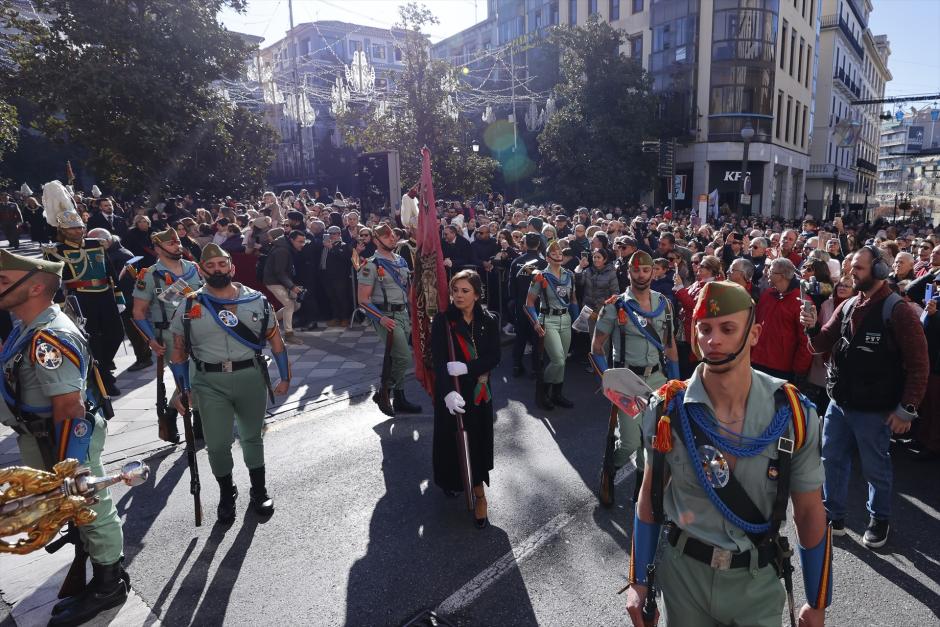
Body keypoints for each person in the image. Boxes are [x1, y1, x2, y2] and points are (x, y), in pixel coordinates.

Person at [626, 280, 830, 627]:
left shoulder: (793, 413)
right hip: (684, 579)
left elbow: (810, 511)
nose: (713, 340)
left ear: (754, 333)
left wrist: (817, 601)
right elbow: (650, 495)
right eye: (704, 329)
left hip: (756, 583)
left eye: (727, 328)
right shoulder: (667, 409)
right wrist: (638, 582)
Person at [0, 249, 129, 626]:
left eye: (4, 281)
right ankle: (100, 573)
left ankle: (109, 585)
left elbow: (68, 407)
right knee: (78, 506)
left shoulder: (48, 336)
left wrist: (63, 469)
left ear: (36, 285)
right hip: (41, 434)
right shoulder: (27, 327)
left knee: (88, 504)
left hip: (60, 436)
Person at [801, 245, 929, 546]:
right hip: (840, 402)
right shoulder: (847, 306)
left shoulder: (898, 311)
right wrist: (810, 328)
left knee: (875, 468)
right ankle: (834, 514)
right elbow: (821, 343)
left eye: (858, 268)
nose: (851, 273)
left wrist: (906, 409)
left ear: (880, 271)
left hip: (875, 409)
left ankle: (879, 519)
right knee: (831, 459)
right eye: (851, 267)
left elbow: (919, 365)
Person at [168, 243, 291, 524]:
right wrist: (181, 389)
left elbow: (276, 342)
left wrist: (285, 377)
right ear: (201, 271)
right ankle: (227, 493)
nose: (217, 269)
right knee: (217, 444)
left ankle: (258, 491)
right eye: (210, 266)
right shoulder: (189, 304)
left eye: (222, 264)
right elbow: (178, 351)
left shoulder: (257, 300)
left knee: (252, 437)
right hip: (209, 382)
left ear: (231, 267)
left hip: (250, 377)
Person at [590, 251, 679, 500]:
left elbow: (670, 346)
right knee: (629, 442)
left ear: (653, 271)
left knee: (652, 441)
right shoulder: (615, 306)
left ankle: (642, 492)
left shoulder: (664, 304)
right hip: (627, 380)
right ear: (628, 272)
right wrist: (609, 378)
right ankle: (610, 469)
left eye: (646, 270)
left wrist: (677, 383)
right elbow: (597, 347)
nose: (641, 275)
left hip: (658, 379)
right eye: (636, 270)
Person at [431, 270, 501, 528]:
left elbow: (494, 356)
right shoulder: (443, 321)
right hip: (453, 392)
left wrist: (468, 368)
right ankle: (451, 481)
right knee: (451, 441)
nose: (458, 295)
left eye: (464, 291)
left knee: (478, 440)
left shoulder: (489, 319)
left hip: (478, 391)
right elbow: (438, 361)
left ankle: (479, 494)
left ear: (477, 294)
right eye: (455, 290)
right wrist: (447, 391)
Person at [42, 210, 126, 396]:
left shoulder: (96, 244)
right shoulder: (55, 252)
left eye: (79, 226)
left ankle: (102, 368)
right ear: (63, 230)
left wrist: (119, 296)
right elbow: (52, 282)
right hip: (80, 297)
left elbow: (110, 271)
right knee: (93, 338)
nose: (77, 231)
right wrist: (62, 305)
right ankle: (103, 377)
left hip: (105, 295)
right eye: (72, 228)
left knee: (116, 333)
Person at [132, 228, 204, 443]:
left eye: (178, 243)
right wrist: (151, 340)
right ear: (158, 248)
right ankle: (187, 420)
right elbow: (138, 312)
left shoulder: (195, 269)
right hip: (171, 335)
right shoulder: (150, 275)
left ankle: (177, 413)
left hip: (201, 331)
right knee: (186, 382)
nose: (178, 246)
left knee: (203, 376)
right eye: (171, 244)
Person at [357, 223, 422, 415]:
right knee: (403, 356)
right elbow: (363, 300)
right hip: (386, 316)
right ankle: (384, 391)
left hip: (402, 313)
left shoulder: (400, 260)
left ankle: (400, 399)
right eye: (386, 236)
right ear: (376, 241)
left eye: (393, 235)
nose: (392, 238)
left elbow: (407, 289)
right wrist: (380, 319)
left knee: (397, 357)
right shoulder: (371, 265)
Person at [86, 228, 152, 373]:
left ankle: (144, 357)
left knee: (135, 331)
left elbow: (124, 282)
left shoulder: (122, 255)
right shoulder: (106, 253)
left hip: (127, 299)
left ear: (106, 241)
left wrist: (122, 300)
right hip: (115, 299)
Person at [525, 240, 579, 409]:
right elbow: (528, 303)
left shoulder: (569, 275)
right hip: (548, 319)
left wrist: (577, 320)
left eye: (560, 253)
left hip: (566, 319)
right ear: (547, 258)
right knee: (558, 361)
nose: (558, 255)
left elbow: (573, 299)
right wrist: (535, 322)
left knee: (562, 359)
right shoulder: (540, 276)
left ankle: (556, 394)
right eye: (553, 254)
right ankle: (542, 391)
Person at [751, 258, 812, 382]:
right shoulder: (767, 294)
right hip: (756, 361)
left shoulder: (802, 301)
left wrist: (799, 370)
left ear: (782, 276)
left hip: (781, 369)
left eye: (771, 271)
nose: (767, 273)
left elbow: (806, 339)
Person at [509, 233, 546, 377]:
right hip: (536, 305)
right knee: (536, 337)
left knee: (521, 336)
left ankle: (516, 366)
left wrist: (515, 301)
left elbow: (511, 286)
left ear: (525, 244)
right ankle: (536, 368)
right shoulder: (543, 264)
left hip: (520, 304)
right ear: (538, 244)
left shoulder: (516, 261)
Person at [263, 230, 307, 345]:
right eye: (300, 241)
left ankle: (267, 322)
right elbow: (279, 272)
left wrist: (291, 285)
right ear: (292, 240)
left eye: (304, 241)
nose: (302, 244)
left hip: (280, 281)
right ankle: (289, 334)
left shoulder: (286, 247)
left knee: (296, 305)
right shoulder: (282, 250)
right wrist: (292, 286)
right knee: (289, 304)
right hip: (273, 281)